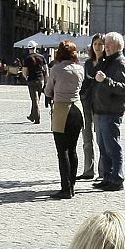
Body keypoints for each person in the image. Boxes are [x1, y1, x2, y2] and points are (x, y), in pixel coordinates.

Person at [90, 32, 125, 192]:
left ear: (118, 46)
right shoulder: (108, 61)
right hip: (101, 110)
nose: (105, 47)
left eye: (108, 44)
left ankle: (117, 179)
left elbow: (122, 88)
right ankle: (107, 177)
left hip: (111, 111)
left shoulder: (120, 63)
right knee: (103, 146)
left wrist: (106, 80)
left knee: (112, 146)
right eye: (105, 44)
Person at [44, 41, 86, 199]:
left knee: (63, 151)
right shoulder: (80, 69)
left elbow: (48, 90)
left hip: (62, 109)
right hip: (77, 109)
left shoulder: (56, 69)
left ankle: (65, 188)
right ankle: (73, 185)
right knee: (73, 149)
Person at [79, 36, 104, 179]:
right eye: (95, 44)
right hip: (86, 102)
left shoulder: (107, 62)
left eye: (100, 44)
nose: (98, 47)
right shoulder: (88, 63)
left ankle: (102, 171)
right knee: (87, 137)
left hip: (101, 104)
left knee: (101, 138)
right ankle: (88, 170)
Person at [22, 45, 48, 123]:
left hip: (31, 80)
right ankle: (32, 115)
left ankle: (37, 118)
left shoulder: (27, 58)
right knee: (37, 98)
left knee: (34, 99)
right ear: (35, 48)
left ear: (28, 48)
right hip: (40, 80)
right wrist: (46, 78)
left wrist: (26, 77)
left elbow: (24, 71)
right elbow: (46, 69)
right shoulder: (41, 57)